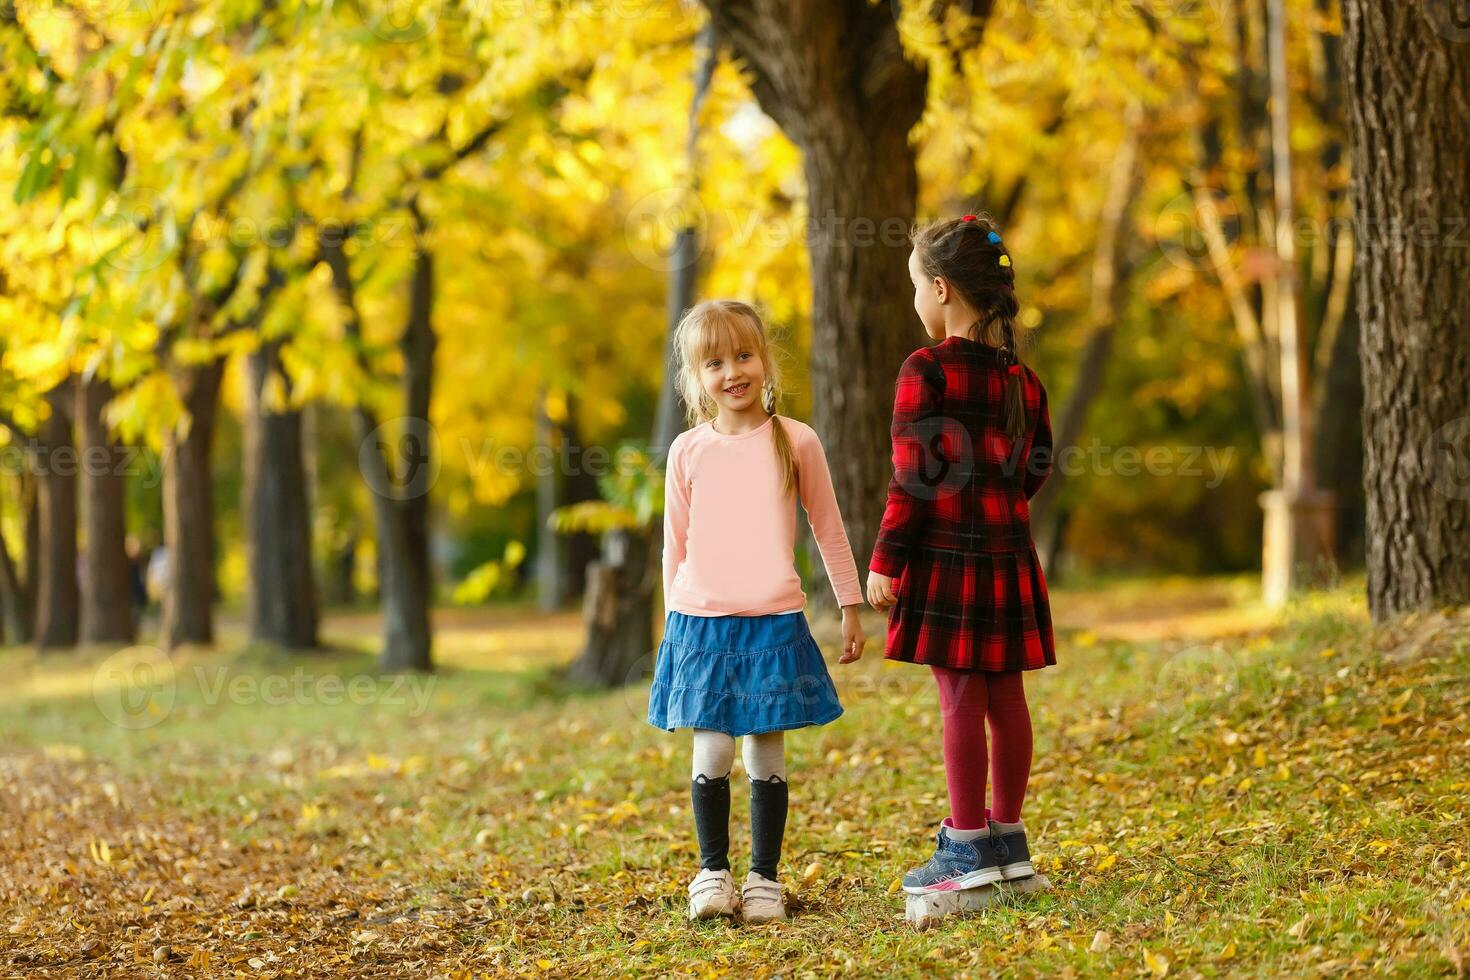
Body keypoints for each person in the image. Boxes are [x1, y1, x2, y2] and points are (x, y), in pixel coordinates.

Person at [649, 299, 867, 924]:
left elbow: (827, 526)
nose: (732, 372)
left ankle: (763, 879)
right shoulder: (688, 451)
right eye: (715, 362)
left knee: (763, 752)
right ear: (697, 378)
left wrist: (849, 605)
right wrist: (672, 628)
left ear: (765, 361)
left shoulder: (795, 440)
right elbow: (675, 544)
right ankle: (712, 872)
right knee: (711, 751)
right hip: (702, 625)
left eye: (743, 355)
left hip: (772, 621)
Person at [866, 215, 1055, 895]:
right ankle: (1009, 840)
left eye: (916, 287)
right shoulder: (1021, 379)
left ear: (941, 289)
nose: (915, 300)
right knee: (1007, 696)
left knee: (958, 698)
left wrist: (886, 559)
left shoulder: (927, 370)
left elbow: (914, 476)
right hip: (1008, 556)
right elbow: (1036, 466)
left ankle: (967, 845)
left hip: (948, 560)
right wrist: (999, 500)